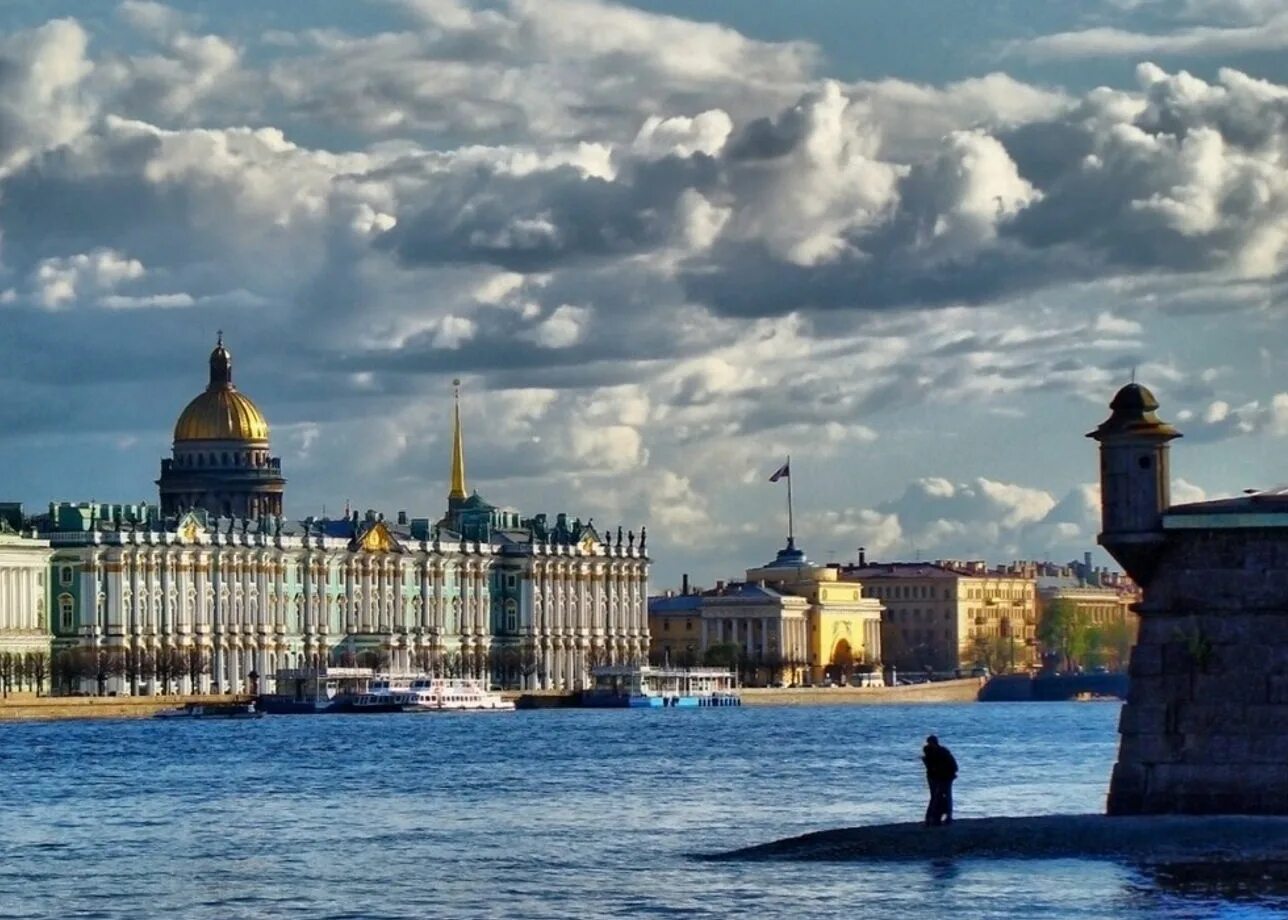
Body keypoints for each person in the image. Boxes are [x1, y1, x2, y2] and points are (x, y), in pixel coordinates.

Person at [922, 735, 958, 827]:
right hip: (936, 776)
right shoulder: (930, 752)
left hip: (945, 776)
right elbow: (931, 766)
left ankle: (943, 817)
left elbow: (952, 766)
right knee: (936, 796)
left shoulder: (942, 752)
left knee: (943, 796)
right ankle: (933, 818)